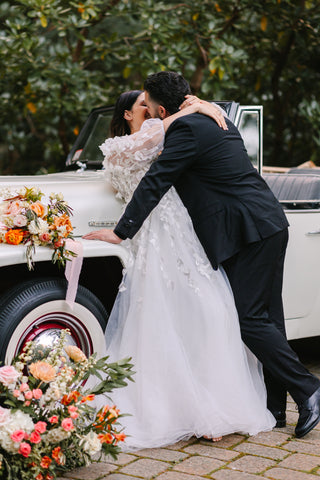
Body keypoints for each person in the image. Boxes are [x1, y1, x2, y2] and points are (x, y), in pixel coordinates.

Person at [86, 71, 320, 440]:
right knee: (270, 320)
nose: (145, 111)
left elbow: (156, 180)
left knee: (249, 320)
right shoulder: (213, 117)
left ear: (161, 108)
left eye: (148, 107)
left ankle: (309, 390)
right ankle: (275, 408)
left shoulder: (188, 129)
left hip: (249, 231)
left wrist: (120, 231)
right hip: (267, 223)